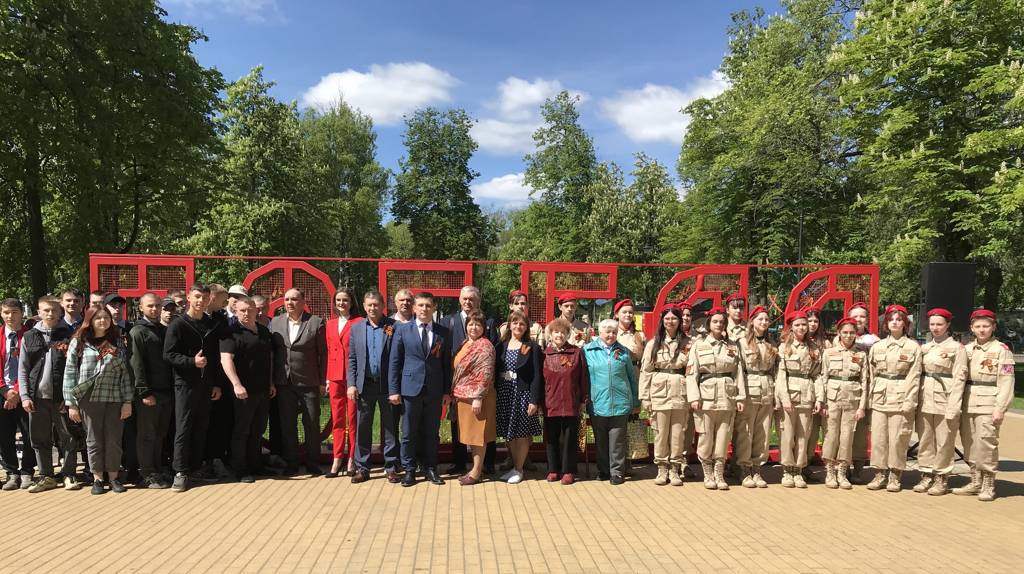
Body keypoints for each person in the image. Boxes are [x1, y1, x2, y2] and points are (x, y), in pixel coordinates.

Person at [63, 307, 133, 494]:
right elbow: (70, 373)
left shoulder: (117, 341)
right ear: (90, 320)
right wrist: (71, 404)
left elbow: (125, 373)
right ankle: (98, 478)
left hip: (114, 396)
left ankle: (114, 477)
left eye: (106, 317)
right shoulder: (79, 342)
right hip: (88, 398)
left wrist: (128, 401)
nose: (102, 321)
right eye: (98, 318)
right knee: (93, 439)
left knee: (114, 439)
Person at [164, 283, 224, 492]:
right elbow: (169, 355)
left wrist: (216, 383)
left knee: (201, 427)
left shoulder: (211, 324)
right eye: (197, 296)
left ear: (209, 300)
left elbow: (215, 357)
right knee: (184, 427)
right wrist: (191, 362)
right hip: (185, 384)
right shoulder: (178, 324)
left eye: (205, 298)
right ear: (189, 297)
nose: (201, 301)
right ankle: (180, 471)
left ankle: (196, 467)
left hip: (206, 384)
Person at [388, 291, 451, 487]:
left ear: (434, 308)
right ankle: (409, 470)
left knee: (432, 432)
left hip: (434, 390)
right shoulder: (402, 330)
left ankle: (430, 467)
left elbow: (446, 364)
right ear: (414, 308)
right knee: (408, 432)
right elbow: (394, 362)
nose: (424, 309)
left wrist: (446, 391)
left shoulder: (442, 332)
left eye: (428, 306)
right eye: (421, 305)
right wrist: (393, 390)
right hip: (410, 389)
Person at [953, 309, 1015, 501]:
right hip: (968, 401)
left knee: (986, 443)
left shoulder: (1001, 351)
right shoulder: (966, 349)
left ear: (993, 327)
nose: (982, 330)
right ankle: (975, 480)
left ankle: (988, 483)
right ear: (972, 328)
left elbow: (1007, 382)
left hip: (989, 402)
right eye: (978, 326)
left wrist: (1000, 408)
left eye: (986, 326)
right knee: (969, 443)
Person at [18, 297, 76, 492]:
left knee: (67, 438)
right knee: (39, 438)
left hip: (61, 398)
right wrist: (25, 396)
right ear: (38, 311)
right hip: (37, 398)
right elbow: (23, 369)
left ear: (60, 312)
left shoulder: (69, 335)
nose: (50, 314)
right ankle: (46, 476)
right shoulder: (29, 336)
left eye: (53, 310)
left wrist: (69, 398)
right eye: (46, 310)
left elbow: (75, 368)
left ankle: (69, 474)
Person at [270, 288, 327, 476]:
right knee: (287, 424)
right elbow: (271, 354)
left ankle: (312, 463)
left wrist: (322, 381)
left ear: (303, 301)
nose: (289, 302)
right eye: (286, 299)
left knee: (311, 422)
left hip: (309, 382)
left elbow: (323, 354)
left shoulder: (316, 322)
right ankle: (291, 463)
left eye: (294, 299)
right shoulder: (275, 322)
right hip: (284, 383)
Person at [687, 307, 745, 490]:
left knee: (723, 435)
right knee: (705, 435)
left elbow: (739, 373)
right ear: (709, 324)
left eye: (722, 322)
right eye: (715, 321)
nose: (719, 324)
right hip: (705, 397)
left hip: (727, 396)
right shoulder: (699, 345)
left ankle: (719, 473)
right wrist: (694, 397)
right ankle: (708, 473)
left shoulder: (733, 346)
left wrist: (741, 397)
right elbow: (691, 373)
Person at [221, 297, 278, 483]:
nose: (246, 313)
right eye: (242, 310)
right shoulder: (231, 333)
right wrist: (236, 384)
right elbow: (226, 360)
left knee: (258, 429)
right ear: (236, 311)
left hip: (262, 390)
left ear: (256, 310)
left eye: (249, 310)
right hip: (243, 391)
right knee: (241, 431)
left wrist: (270, 383)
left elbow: (269, 358)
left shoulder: (263, 331)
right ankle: (240, 469)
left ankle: (256, 465)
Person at [865, 304, 921, 492]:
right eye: (891, 319)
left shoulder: (913, 347)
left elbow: (915, 376)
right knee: (879, 438)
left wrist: (910, 401)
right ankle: (880, 473)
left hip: (901, 396)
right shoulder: (878, 346)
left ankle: (895, 475)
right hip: (880, 396)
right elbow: (871, 374)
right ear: (886, 323)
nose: (895, 322)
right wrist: (870, 398)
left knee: (898, 438)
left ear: (905, 323)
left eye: (899, 319)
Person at [347, 291, 401, 484]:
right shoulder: (356, 328)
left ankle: (391, 467)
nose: (372, 308)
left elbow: (398, 358)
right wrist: (351, 384)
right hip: (365, 385)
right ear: (363, 305)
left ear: (383, 305)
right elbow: (352, 358)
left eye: (376, 305)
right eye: (369, 305)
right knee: (363, 426)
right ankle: (363, 467)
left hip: (387, 385)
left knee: (389, 427)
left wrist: (397, 388)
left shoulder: (393, 327)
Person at [443, 286, 496, 476]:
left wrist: (478, 396)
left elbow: (487, 368)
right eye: (464, 299)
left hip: (477, 395)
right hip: (459, 394)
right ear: (459, 300)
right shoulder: (448, 322)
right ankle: (460, 464)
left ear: (478, 301)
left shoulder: (488, 331)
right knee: (462, 430)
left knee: (478, 432)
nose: (468, 302)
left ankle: (481, 467)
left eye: (471, 299)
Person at [913, 308, 967, 495]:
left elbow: (959, 379)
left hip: (945, 399)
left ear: (948, 326)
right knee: (925, 439)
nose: (935, 328)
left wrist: (954, 405)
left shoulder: (956, 349)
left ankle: (941, 477)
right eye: (932, 324)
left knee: (944, 440)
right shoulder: (925, 348)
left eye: (940, 324)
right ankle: (926, 473)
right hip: (925, 397)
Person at [583, 319, 639, 485]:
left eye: (614, 332)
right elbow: (582, 377)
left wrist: (635, 401)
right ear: (599, 333)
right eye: (607, 331)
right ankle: (603, 470)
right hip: (597, 402)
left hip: (620, 403)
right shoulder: (588, 351)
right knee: (600, 440)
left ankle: (617, 472)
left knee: (617, 440)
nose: (611, 335)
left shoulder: (623, 352)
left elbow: (631, 377)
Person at [815, 318, 868, 490]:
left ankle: (842, 471)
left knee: (847, 436)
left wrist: (861, 406)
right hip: (833, 398)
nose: (848, 335)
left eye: (852, 332)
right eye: (845, 332)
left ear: (856, 334)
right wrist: (821, 401)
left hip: (852, 398)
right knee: (831, 435)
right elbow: (823, 378)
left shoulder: (861, 354)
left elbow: (865, 381)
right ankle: (830, 470)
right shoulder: (829, 353)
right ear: (839, 333)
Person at [639, 306, 690, 486]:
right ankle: (662, 468)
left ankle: (675, 469)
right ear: (662, 321)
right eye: (667, 318)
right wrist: (645, 397)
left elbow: (692, 372)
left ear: (679, 321)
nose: (670, 322)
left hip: (680, 392)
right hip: (659, 392)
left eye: (674, 318)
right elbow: (646, 371)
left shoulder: (687, 343)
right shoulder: (653, 343)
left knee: (677, 433)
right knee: (660, 433)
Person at [130, 293, 175, 489]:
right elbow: (136, 364)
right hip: (149, 393)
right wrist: (144, 392)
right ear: (141, 308)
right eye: (150, 306)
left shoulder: (163, 330)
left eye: (158, 306)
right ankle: (146, 473)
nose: (155, 309)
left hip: (166, 391)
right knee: (147, 435)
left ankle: (157, 469)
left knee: (160, 434)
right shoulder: (138, 332)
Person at [493, 311, 543, 484]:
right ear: (509, 325)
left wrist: (534, 400)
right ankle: (514, 466)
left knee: (521, 434)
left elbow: (537, 375)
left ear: (526, 327)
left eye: (522, 324)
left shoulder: (531, 346)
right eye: (515, 323)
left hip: (522, 394)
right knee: (510, 434)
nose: (518, 326)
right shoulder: (502, 345)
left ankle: (519, 469)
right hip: (505, 393)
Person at [539, 318, 589, 485]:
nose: (559, 335)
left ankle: (568, 470)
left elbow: (584, 378)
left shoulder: (576, 353)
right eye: (556, 332)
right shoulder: (544, 354)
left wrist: (583, 399)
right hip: (550, 401)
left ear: (568, 334)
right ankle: (553, 469)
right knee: (551, 438)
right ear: (550, 334)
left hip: (570, 401)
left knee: (569, 438)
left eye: (563, 332)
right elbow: (539, 380)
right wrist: (539, 402)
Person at [775, 311, 822, 489]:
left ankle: (798, 470)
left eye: (804, 324)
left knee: (804, 435)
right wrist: (784, 398)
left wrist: (819, 398)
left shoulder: (814, 349)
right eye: (797, 325)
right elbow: (780, 375)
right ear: (791, 327)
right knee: (787, 435)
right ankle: (787, 469)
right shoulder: (784, 348)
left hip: (807, 395)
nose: (802, 327)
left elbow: (818, 375)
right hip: (790, 395)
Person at [734, 306, 777, 488]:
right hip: (749, 390)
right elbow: (738, 370)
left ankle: (757, 468)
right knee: (746, 431)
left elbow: (775, 371)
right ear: (752, 321)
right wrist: (740, 396)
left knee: (763, 432)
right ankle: (744, 468)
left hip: (767, 390)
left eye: (766, 320)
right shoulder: (741, 342)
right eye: (760, 319)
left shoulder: (772, 344)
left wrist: (777, 396)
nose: (764, 323)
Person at [326, 287, 362, 478]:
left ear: (351, 302)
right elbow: (328, 351)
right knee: (337, 419)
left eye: (345, 300)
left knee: (353, 419)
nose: (342, 303)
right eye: (338, 300)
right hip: (334, 377)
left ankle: (352, 458)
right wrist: (326, 378)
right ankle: (337, 458)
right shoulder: (330, 324)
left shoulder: (359, 322)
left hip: (352, 377)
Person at [0, 298, 35, 490]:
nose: (9, 316)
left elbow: (33, 366)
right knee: (4, 435)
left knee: (29, 433)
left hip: (25, 392)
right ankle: (11, 472)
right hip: (2, 392)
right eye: (6, 312)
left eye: (14, 312)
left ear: (22, 313)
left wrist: (18, 391)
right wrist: (6, 391)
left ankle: (27, 471)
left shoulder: (30, 335)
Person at [846, 301, 879, 483]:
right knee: (843, 430)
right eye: (855, 316)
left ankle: (858, 469)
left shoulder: (874, 341)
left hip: (867, 390)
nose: (858, 319)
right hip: (845, 391)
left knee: (860, 432)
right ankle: (842, 466)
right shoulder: (839, 339)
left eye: (862, 316)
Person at [803, 307, 830, 477]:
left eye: (815, 321)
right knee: (808, 429)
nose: (812, 324)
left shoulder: (826, 344)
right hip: (807, 389)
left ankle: (816, 460)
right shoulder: (798, 341)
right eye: (809, 320)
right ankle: (802, 463)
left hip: (826, 389)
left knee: (823, 430)